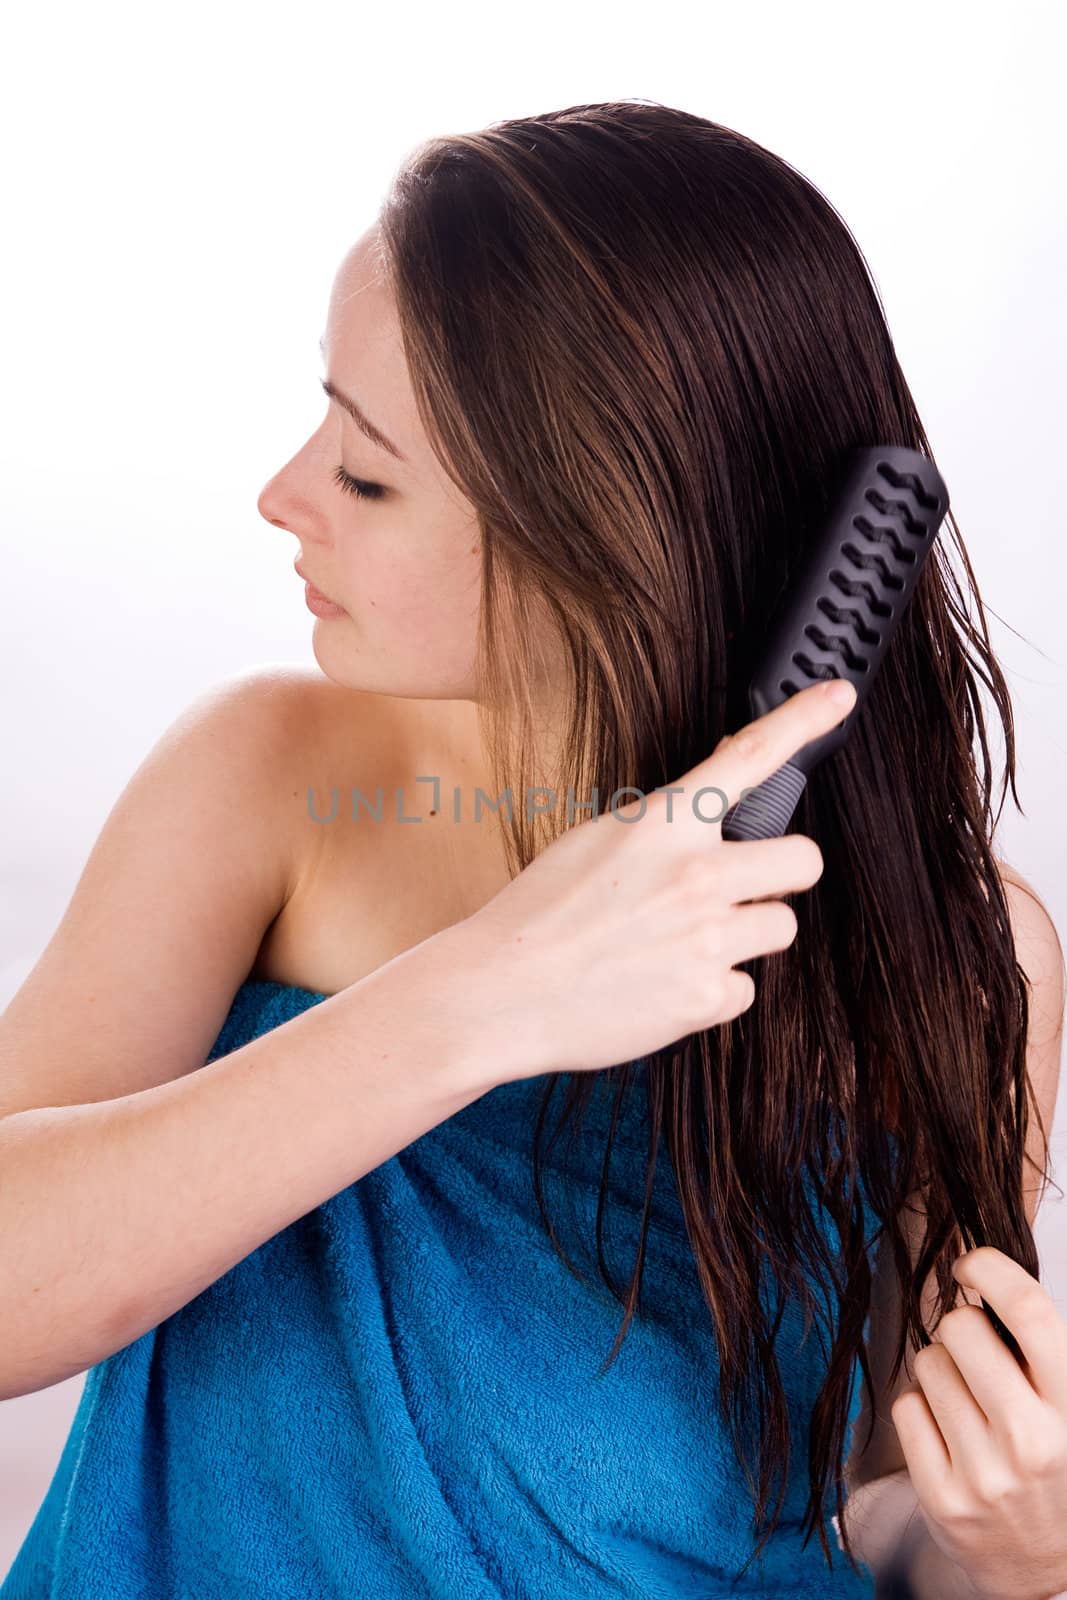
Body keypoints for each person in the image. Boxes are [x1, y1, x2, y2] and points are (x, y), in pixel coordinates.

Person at [0, 100, 1062, 1600]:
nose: (284, 496)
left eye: (367, 475)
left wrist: (1015, 1551)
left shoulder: (963, 963)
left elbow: (872, 1508)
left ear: (610, 542)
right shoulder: (273, 781)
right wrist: (483, 996)